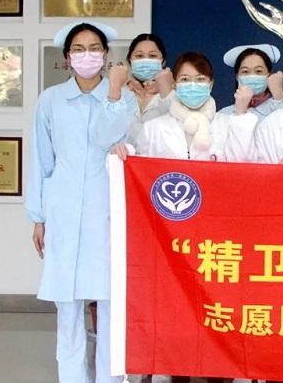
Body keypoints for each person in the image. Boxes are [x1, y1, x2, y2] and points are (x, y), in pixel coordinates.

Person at [26, 22, 136, 383]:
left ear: (105, 54)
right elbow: (41, 160)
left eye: (94, 48)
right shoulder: (51, 100)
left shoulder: (123, 97)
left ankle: (110, 379)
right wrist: (38, 216)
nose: (86, 55)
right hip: (63, 210)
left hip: (108, 210)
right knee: (68, 309)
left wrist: (115, 91)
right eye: (78, 49)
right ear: (66, 57)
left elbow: (108, 138)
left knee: (110, 303)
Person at [128, 51, 257, 161]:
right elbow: (140, 170)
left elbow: (243, 164)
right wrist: (123, 152)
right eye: (185, 79)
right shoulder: (153, 128)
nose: (192, 85)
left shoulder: (227, 125)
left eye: (200, 79)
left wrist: (241, 114)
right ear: (174, 84)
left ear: (211, 84)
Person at [125, 32, 175, 145]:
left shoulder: (174, 94)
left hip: (160, 156)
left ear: (163, 61)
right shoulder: (120, 94)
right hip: (125, 156)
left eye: (152, 56)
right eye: (139, 56)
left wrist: (166, 90)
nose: (145, 60)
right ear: (130, 60)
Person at [218, 43, 283, 119]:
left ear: (269, 75)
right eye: (245, 71)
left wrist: (278, 98)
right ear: (237, 77)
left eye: (258, 71)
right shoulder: (224, 114)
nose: (252, 76)